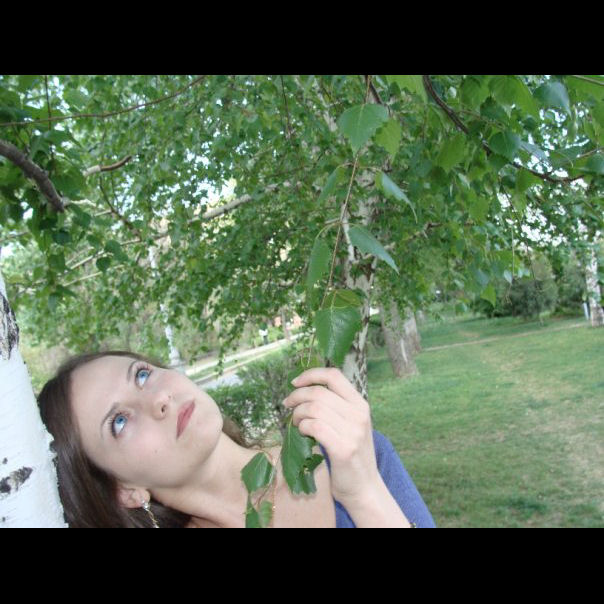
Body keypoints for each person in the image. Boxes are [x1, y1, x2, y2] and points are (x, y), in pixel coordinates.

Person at [37, 350, 436, 528]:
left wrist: (364, 493)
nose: (158, 399)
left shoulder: (352, 458)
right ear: (124, 490)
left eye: (141, 375)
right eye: (120, 422)